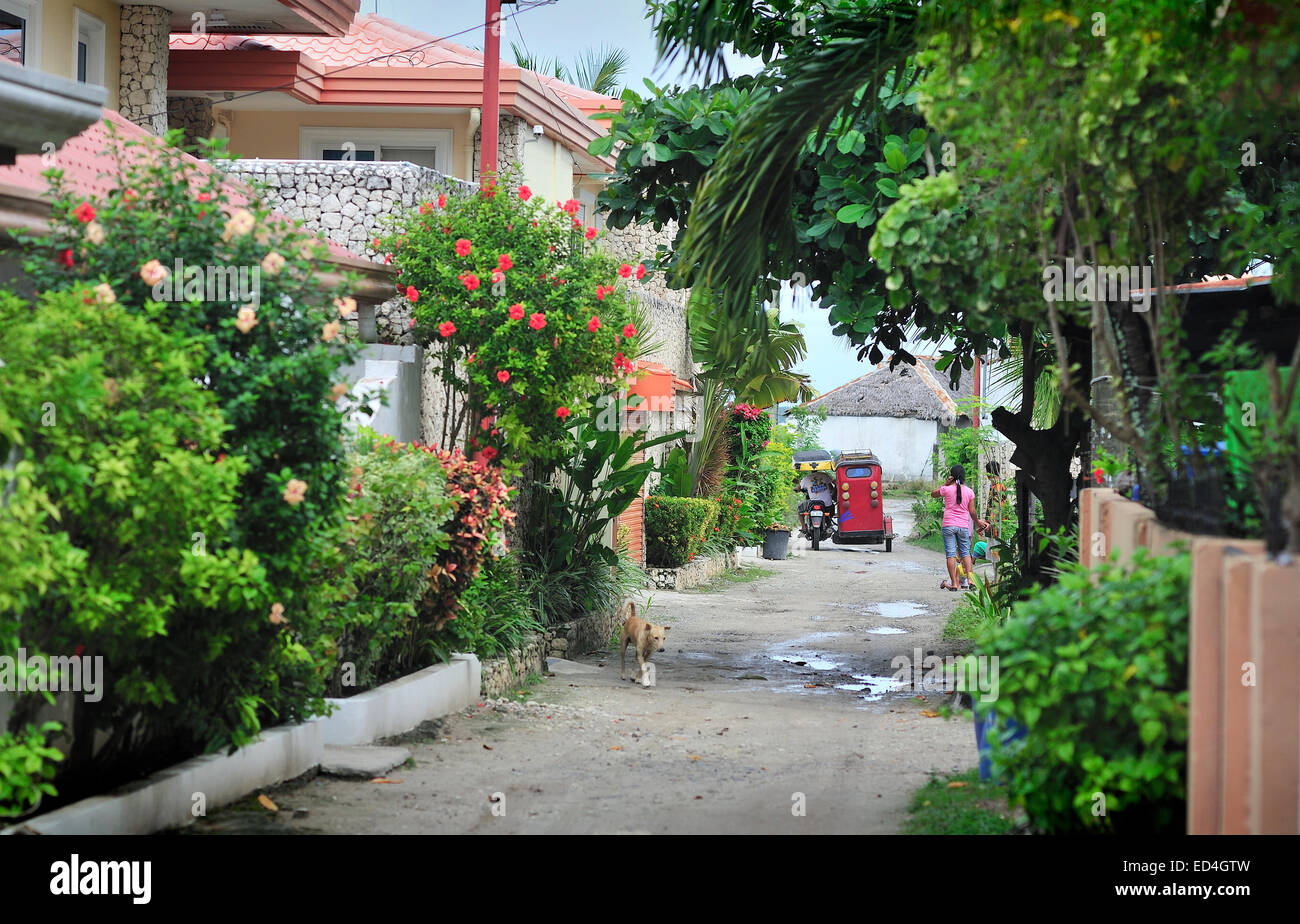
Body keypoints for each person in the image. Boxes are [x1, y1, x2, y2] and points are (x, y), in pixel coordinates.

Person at [931, 464, 989, 591]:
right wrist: (977, 522)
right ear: (963, 477)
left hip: (948, 526)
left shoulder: (946, 489)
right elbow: (972, 511)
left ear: (952, 476)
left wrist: (945, 484)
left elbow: (933, 494)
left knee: (951, 554)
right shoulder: (969, 492)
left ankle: (955, 584)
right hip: (963, 527)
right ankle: (970, 580)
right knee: (965, 553)